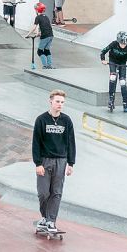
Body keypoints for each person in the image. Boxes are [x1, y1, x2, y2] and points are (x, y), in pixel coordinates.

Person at [32, 89, 76, 234]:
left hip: (61, 161)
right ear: (50, 101)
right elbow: (36, 143)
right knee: (43, 193)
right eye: (57, 101)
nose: (60, 104)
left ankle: (51, 221)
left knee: (56, 192)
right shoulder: (41, 120)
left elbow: (71, 142)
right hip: (45, 161)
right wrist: (38, 163)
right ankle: (44, 217)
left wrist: (71, 163)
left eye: (62, 102)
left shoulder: (66, 120)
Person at [100, 31, 127, 112]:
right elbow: (103, 51)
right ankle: (111, 99)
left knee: (122, 81)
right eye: (122, 43)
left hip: (122, 63)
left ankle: (125, 103)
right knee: (113, 77)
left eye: (125, 44)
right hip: (113, 61)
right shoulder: (113, 44)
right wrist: (103, 60)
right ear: (118, 41)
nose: (124, 45)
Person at [28, 2, 54, 69]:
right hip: (51, 35)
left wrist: (28, 34)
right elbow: (47, 26)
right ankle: (49, 65)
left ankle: (45, 66)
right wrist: (39, 33)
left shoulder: (38, 17)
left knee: (39, 51)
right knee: (46, 50)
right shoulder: (46, 17)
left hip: (45, 36)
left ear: (37, 10)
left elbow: (34, 27)